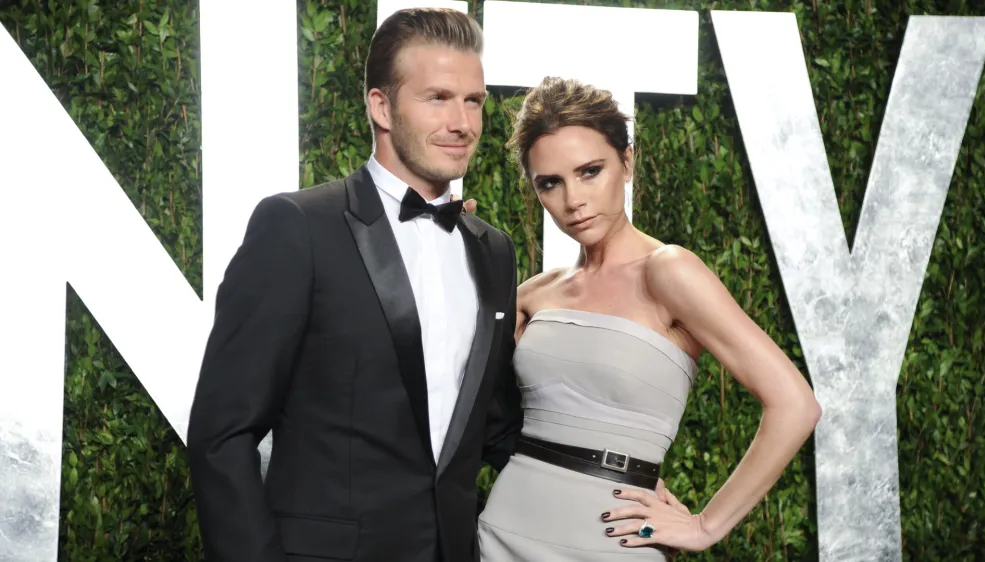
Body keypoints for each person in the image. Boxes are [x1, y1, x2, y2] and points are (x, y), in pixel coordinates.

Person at [185, 9, 524, 562]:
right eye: (437, 97)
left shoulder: (495, 251)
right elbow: (223, 434)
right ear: (381, 106)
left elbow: (495, 427)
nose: (462, 122)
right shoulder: (298, 228)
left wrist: (614, 476)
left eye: (474, 101)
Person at [476, 77, 823, 560]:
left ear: (628, 162)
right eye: (550, 182)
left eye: (590, 171)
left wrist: (705, 526)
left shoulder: (668, 272)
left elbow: (795, 404)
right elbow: (461, 411)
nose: (573, 199)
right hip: (503, 532)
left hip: (613, 541)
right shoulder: (533, 295)